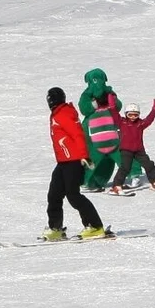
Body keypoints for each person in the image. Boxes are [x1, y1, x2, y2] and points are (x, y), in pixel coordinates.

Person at [43, 87, 106, 241]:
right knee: (54, 194)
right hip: (64, 162)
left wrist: (84, 156)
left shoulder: (63, 113)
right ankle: (55, 228)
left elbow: (78, 134)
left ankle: (95, 226)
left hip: (73, 161)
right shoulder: (58, 113)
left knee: (73, 195)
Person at [110, 97, 155, 194]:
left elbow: (149, 119)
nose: (133, 117)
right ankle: (116, 186)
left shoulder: (140, 124)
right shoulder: (122, 122)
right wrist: (112, 106)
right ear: (126, 114)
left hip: (139, 150)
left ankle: (154, 182)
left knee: (149, 164)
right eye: (130, 115)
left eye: (135, 115)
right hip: (126, 150)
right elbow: (115, 115)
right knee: (125, 167)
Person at [81, 83, 121, 192]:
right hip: (94, 137)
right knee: (93, 159)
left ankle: (97, 182)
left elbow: (118, 106)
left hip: (110, 137)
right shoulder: (87, 95)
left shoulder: (109, 95)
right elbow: (84, 109)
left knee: (109, 161)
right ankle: (85, 182)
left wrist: (112, 98)